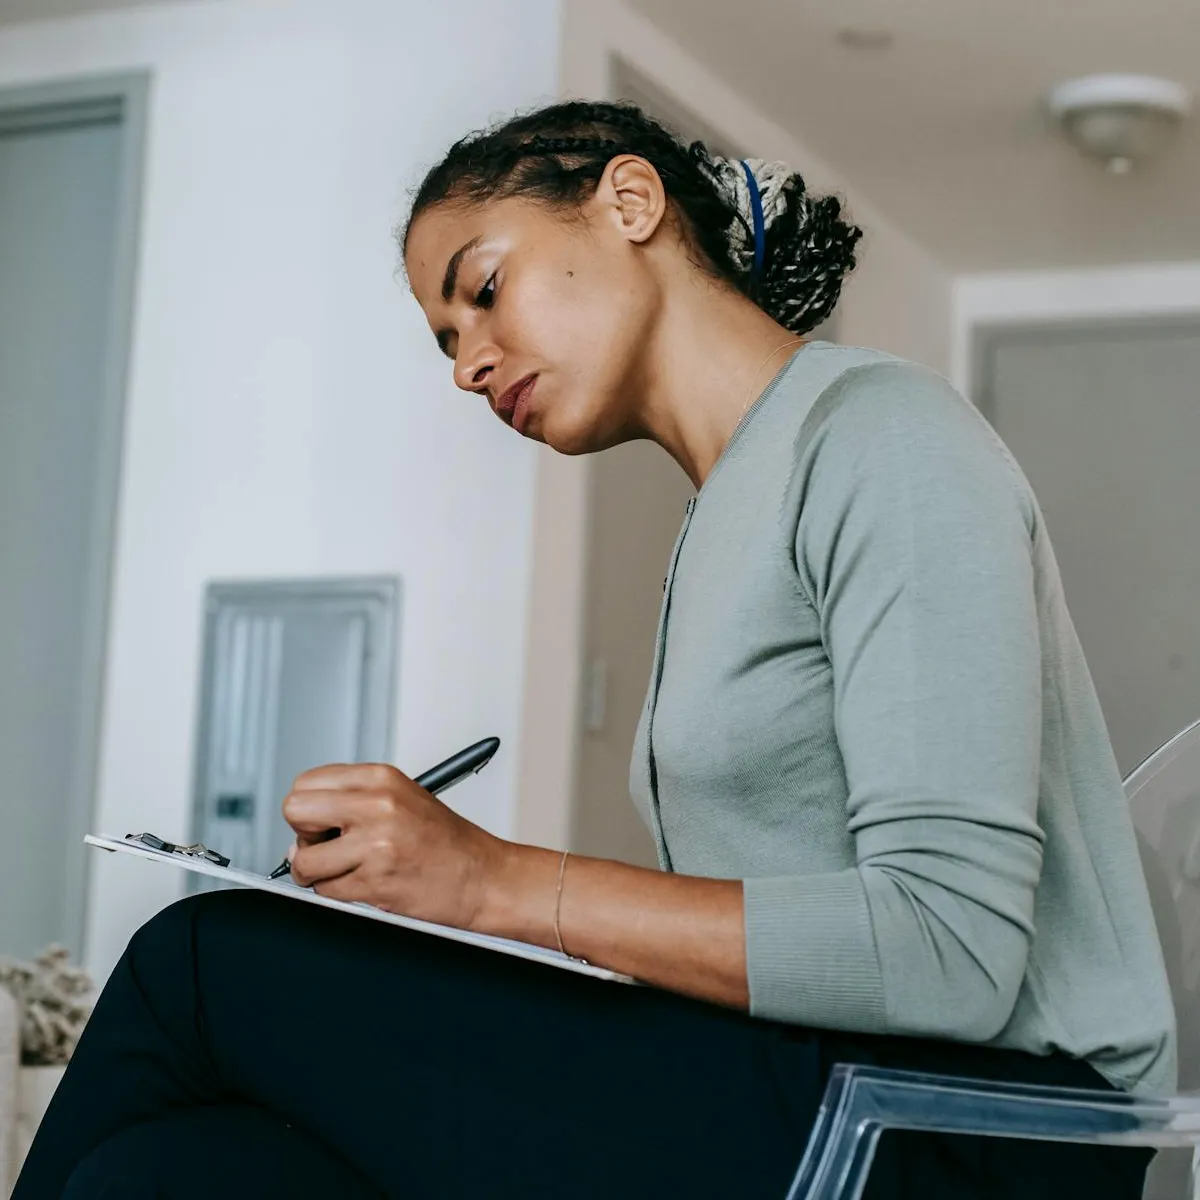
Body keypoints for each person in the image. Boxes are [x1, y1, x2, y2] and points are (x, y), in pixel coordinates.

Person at [15, 101, 1175, 1200]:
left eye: (483, 289)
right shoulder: (724, 515)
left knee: (202, 962)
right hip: (812, 1084)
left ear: (630, 203)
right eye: (446, 343)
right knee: (170, 1172)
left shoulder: (886, 439)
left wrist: (490, 882)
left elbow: (950, 952)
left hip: (974, 1135)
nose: (469, 363)